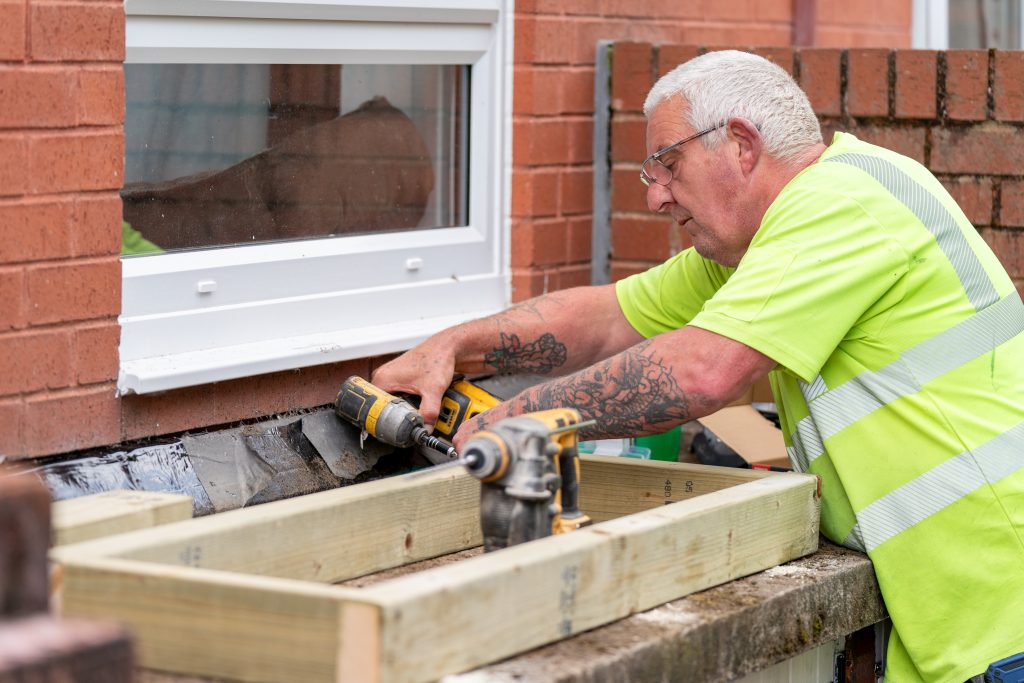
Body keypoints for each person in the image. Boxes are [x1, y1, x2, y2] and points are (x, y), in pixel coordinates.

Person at [372, 50, 1024, 682]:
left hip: (1001, 619)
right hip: (958, 622)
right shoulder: (765, 240)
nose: (657, 198)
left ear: (741, 143)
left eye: (668, 165)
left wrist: (518, 417)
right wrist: (453, 345)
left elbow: (703, 372)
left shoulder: (841, 205)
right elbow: (605, 318)